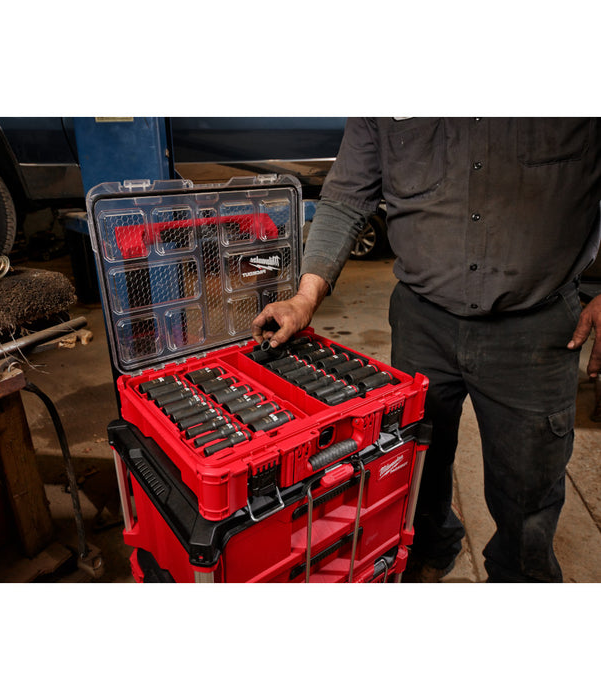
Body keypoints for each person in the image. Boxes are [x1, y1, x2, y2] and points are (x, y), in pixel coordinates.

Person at [251, 118, 601, 583]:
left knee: (528, 490)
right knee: (414, 462)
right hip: (422, 320)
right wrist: (304, 298)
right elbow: (346, 198)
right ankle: (427, 550)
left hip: (537, 325)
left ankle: (519, 579)